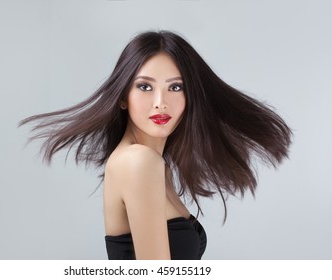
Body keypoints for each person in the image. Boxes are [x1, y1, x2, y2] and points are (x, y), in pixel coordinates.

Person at [18, 30, 292, 260]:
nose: (160, 101)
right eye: (145, 87)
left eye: (175, 87)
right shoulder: (139, 162)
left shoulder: (153, 163)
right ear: (122, 97)